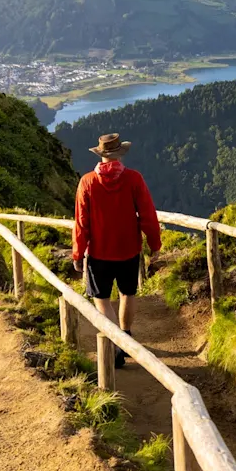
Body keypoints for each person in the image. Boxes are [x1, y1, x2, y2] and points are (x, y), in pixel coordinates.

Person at [72, 133, 161, 369]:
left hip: (99, 252)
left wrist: (78, 253)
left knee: (101, 299)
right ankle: (126, 336)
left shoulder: (87, 182)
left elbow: (82, 222)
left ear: (100, 155)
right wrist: (155, 244)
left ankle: (116, 345)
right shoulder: (133, 179)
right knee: (127, 294)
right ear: (120, 153)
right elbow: (148, 215)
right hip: (129, 249)